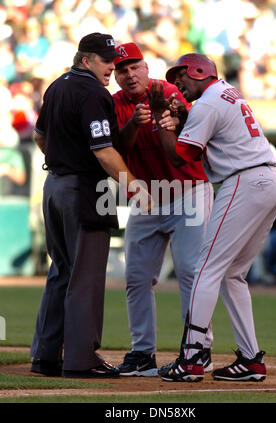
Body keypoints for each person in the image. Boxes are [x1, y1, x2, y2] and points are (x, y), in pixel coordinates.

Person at [147, 53, 276, 382]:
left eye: (181, 75)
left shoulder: (208, 102)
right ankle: (251, 359)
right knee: (232, 274)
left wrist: (159, 117)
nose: (177, 83)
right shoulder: (225, 94)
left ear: (199, 71)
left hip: (245, 181)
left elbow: (180, 156)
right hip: (268, 180)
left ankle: (192, 356)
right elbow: (207, 136)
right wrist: (183, 117)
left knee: (206, 269)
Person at [30, 33, 152, 379]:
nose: (113, 66)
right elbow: (103, 150)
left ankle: (45, 356)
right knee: (85, 276)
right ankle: (82, 359)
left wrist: (63, 161)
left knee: (61, 272)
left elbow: (41, 136)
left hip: (53, 186)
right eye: (105, 59)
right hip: (83, 190)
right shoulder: (93, 92)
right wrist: (134, 185)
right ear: (85, 59)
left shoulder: (57, 87)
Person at [112, 42, 214, 377]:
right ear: (114, 75)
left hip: (189, 191)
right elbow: (116, 150)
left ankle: (196, 350)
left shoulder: (167, 90)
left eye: (134, 67)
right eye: (122, 70)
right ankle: (142, 353)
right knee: (136, 277)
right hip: (148, 195)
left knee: (189, 273)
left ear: (146, 67)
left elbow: (190, 133)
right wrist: (133, 126)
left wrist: (164, 115)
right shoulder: (114, 104)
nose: (129, 75)